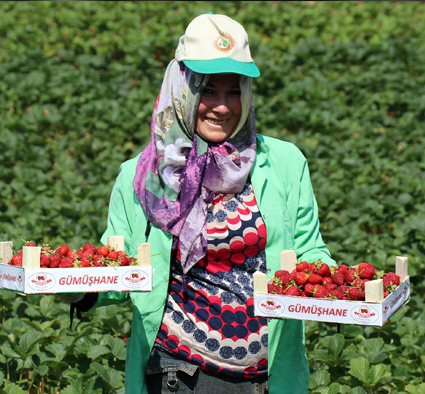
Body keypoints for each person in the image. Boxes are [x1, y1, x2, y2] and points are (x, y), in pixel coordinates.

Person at [68, 12, 335, 393]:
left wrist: (345, 291)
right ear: (183, 88)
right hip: (180, 373)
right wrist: (81, 289)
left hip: (268, 374)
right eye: (207, 90)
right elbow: (122, 266)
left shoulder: (285, 163)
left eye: (233, 91)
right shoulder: (145, 175)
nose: (222, 107)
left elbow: (309, 251)